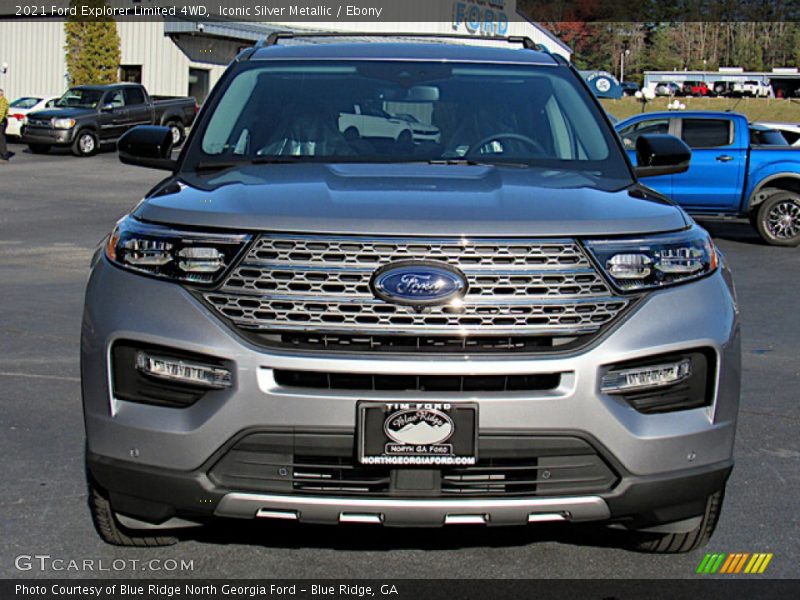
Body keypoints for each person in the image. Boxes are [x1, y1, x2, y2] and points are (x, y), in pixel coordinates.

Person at [0, 88, 13, 161]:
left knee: (1, 138)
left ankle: (4, 155)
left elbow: (1, 113)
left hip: (2, 122)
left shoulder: (3, 101)